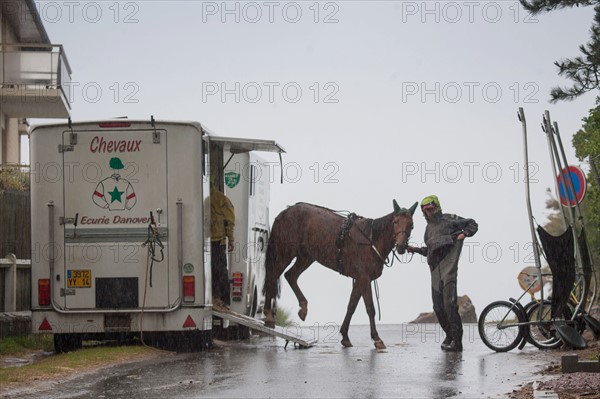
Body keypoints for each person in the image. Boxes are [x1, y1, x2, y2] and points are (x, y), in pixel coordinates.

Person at [407, 195, 478, 352]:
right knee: (438, 307)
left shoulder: (449, 219)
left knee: (449, 305)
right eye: (425, 211)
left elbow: (472, 223)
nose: (429, 213)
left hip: (449, 267)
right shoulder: (428, 230)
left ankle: (457, 342)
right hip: (434, 271)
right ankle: (450, 335)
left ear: (437, 207)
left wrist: (464, 234)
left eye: (431, 209)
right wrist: (415, 249)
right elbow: (429, 251)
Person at [210, 176, 235, 307]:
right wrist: (230, 238)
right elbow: (230, 219)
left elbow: (229, 219)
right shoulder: (220, 198)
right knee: (220, 271)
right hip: (217, 241)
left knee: (214, 272)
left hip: (207, 242)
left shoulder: (199, 197)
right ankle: (223, 300)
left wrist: (230, 237)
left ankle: (216, 298)